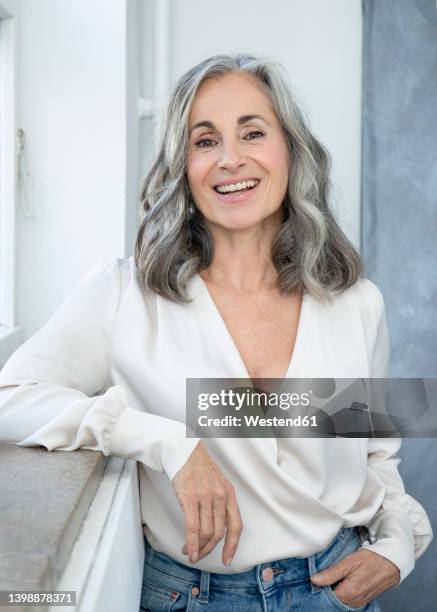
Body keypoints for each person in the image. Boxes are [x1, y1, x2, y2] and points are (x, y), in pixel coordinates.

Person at [0, 53, 433, 612]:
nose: (230, 159)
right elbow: (11, 398)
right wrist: (171, 443)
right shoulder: (126, 295)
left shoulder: (353, 302)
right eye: (205, 141)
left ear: (291, 151)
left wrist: (398, 545)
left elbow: (375, 458)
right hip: (190, 597)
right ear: (183, 165)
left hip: (335, 591)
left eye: (252, 133)